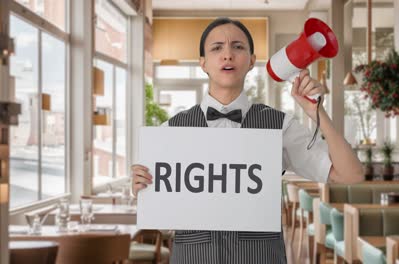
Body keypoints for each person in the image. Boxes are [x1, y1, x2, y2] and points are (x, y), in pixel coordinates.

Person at [131, 17, 363, 264]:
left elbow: (350, 175)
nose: (227, 55)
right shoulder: (172, 130)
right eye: (217, 47)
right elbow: (158, 206)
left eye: (238, 47)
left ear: (252, 61)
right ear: (203, 63)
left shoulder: (279, 126)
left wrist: (317, 112)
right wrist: (141, 187)